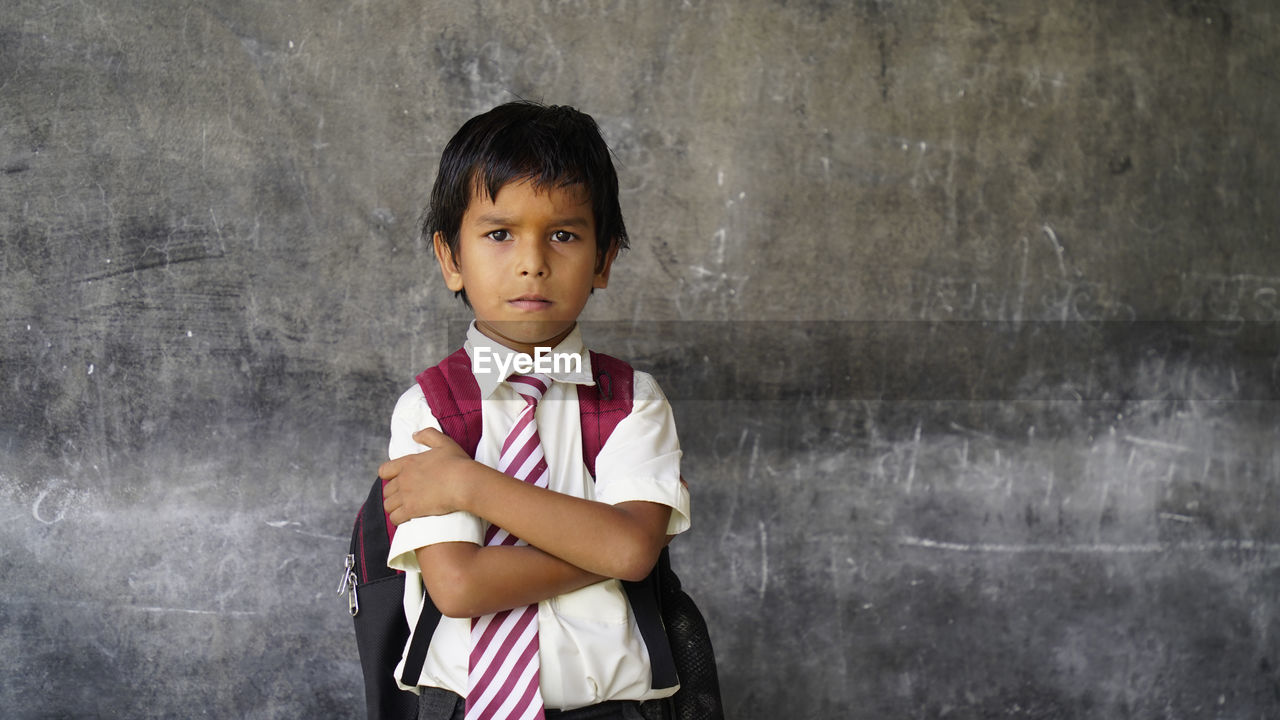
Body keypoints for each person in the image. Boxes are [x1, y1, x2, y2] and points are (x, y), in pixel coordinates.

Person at [377, 102, 691, 720]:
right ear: (450, 258)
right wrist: (602, 542)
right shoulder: (429, 411)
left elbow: (631, 554)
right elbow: (461, 586)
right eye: (499, 234)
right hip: (464, 707)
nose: (532, 261)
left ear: (603, 260)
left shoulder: (631, 401)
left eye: (564, 234)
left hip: (611, 711)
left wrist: (467, 482)